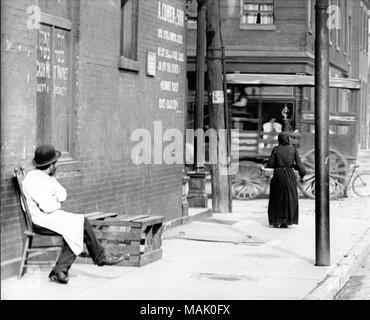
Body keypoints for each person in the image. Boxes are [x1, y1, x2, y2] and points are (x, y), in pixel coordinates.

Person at [22, 144, 124, 284]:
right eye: (55, 163)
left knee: (79, 222)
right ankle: (96, 258)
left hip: (49, 216)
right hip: (39, 220)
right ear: (51, 165)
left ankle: (62, 270)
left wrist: (55, 199)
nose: (56, 165)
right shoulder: (34, 179)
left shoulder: (47, 176)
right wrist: (56, 201)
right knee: (80, 223)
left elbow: (62, 193)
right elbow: (48, 206)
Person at [264, 132, 306, 228]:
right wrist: (302, 174)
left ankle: (276, 220)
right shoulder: (293, 149)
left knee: (277, 197)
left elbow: (270, 164)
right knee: (290, 198)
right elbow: (299, 164)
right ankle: (287, 221)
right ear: (288, 139)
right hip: (290, 174)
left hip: (278, 175)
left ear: (279, 139)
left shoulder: (276, 149)